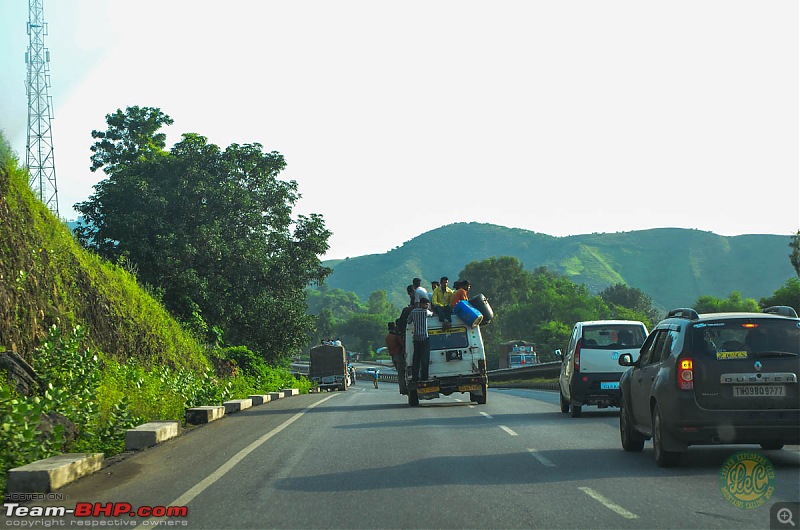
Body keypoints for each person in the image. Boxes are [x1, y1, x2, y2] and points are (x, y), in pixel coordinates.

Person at [408, 297, 434, 381]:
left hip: (416, 338)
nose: (427, 306)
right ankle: (424, 377)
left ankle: (415, 377)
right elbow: (432, 314)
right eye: (426, 304)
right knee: (425, 359)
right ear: (422, 304)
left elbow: (409, 321)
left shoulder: (413, 312)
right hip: (424, 338)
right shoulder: (426, 312)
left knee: (416, 359)